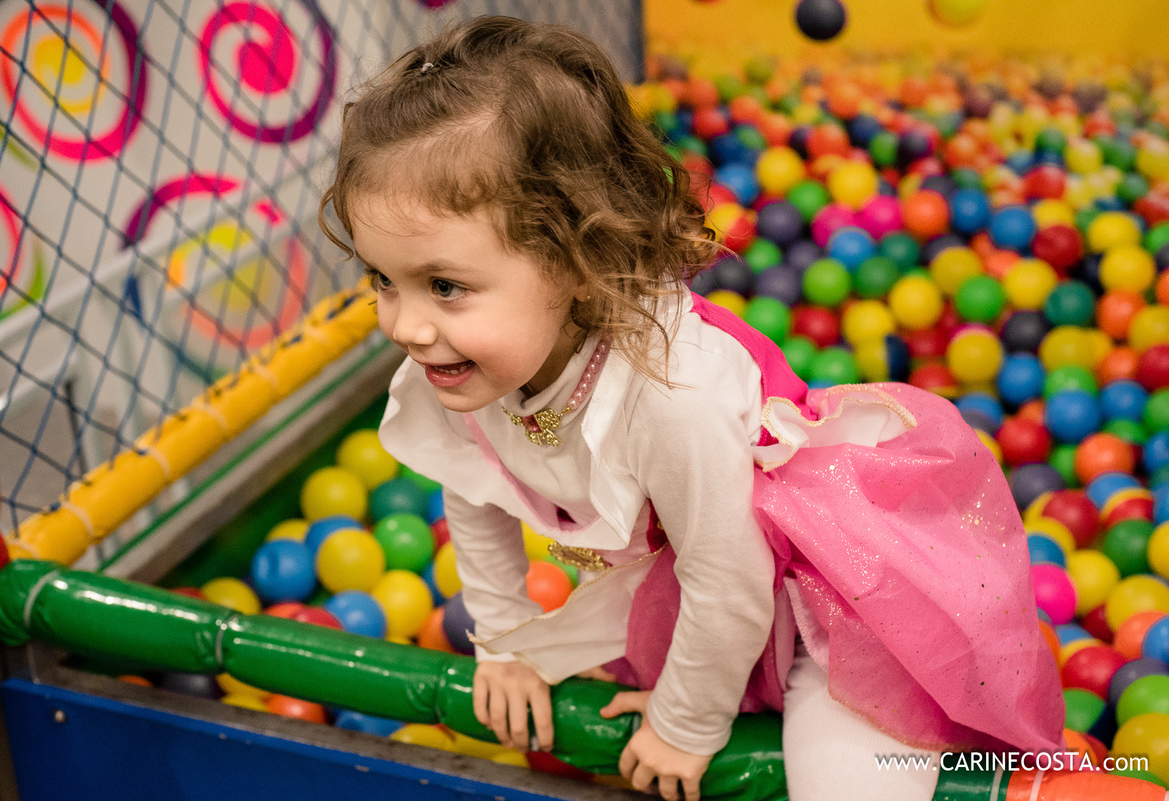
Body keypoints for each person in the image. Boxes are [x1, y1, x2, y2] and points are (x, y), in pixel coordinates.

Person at [319, 16, 1064, 801]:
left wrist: (684, 720)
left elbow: (732, 575)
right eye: (382, 279)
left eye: (443, 285)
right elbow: (471, 487)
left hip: (816, 593)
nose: (405, 325)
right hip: (689, 592)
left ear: (577, 260)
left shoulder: (672, 395)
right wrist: (504, 644)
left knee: (845, 782)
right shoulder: (458, 362)